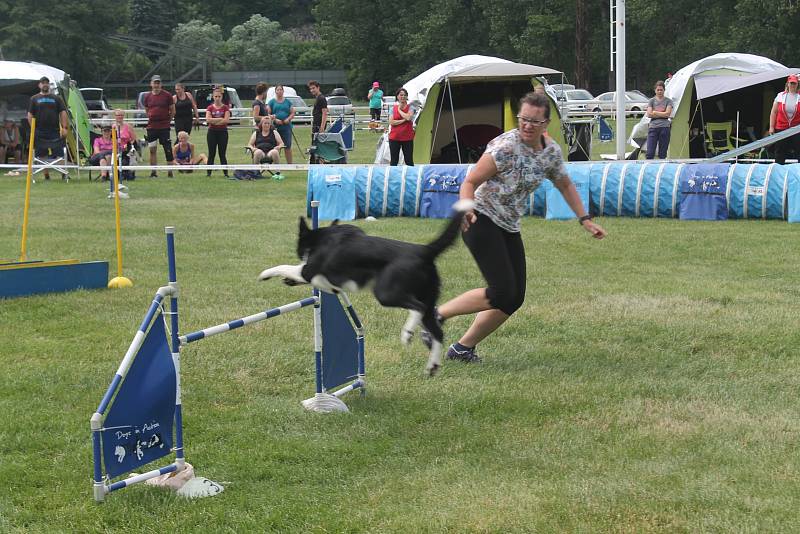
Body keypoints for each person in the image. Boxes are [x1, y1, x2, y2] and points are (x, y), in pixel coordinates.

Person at [423, 92, 607, 363]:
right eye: (523, 119)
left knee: (513, 298)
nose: (527, 125)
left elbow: (565, 184)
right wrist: (467, 207)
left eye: (534, 121)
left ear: (546, 123)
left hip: (509, 224)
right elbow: (469, 181)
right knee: (501, 291)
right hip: (480, 218)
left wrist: (585, 219)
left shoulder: (550, 152)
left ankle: (462, 349)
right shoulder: (505, 147)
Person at [27, 76, 68, 180]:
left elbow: (63, 112)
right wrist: (33, 129)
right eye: (43, 83)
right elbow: (30, 115)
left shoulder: (56, 98)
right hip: (40, 131)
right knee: (41, 154)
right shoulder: (34, 98)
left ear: (49, 85)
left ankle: (63, 173)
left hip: (55, 131)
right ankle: (46, 175)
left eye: (47, 83)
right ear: (39, 85)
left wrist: (64, 127)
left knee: (59, 153)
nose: (45, 84)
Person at [143, 75, 175, 177]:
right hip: (152, 127)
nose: (156, 85)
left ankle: (170, 172)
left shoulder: (167, 95)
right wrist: (152, 117)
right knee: (152, 149)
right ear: (151, 84)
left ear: (161, 84)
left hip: (164, 127)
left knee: (168, 149)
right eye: (154, 83)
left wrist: (167, 120)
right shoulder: (147, 96)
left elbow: (173, 110)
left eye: (158, 83)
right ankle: (153, 172)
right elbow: (147, 109)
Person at [768, 74, 800, 164]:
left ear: (797, 84)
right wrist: (771, 127)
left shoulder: (799, 96)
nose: (793, 85)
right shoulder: (780, 96)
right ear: (787, 84)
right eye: (791, 83)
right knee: (780, 152)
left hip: (796, 129)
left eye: (795, 83)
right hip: (781, 127)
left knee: (799, 151)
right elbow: (773, 112)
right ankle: (778, 170)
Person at [205, 87, 230, 177]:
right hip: (212, 132)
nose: (217, 98)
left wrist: (215, 120)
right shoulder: (210, 107)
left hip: (223, 132)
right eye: (215, 96)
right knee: (211, 153)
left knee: (222, 153)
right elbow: (208, 120)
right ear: (213, 97)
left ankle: (226, 173)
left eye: (219, 96)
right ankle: (208, 173)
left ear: (221, 97)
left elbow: (226, 120)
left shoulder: (225, 107)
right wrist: (220, 119)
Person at [645, 80, 674, 159]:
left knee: (662, 153)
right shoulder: (651, 101)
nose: (659, 91)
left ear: (664, 90)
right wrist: (662, 114)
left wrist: (655, 112)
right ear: (655, 90)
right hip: (653, 127)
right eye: (658, 90)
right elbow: (649, 114)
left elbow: (668, 114)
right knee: (650, 153)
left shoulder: (669, 101)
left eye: (661, 90)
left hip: (665, 127)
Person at [267, 85, 295, 163]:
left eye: (281, 90)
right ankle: (275, 163)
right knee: (275, 146)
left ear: (283, 91)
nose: (279, 91)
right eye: (278, 90)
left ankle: (290, 164)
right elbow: (267, 114)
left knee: (287, 146)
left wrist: (288, 119)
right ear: (275, 91)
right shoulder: (271, 102)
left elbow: (292, 112)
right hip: (275, 128)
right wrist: (275, 120)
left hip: (286, 127)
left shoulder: (287, 102)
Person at [388, 87, 415, 166]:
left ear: (407, 97)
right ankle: (392, 177)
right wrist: (403, 120)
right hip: (394, 138)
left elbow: (409, 117)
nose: (403, 97)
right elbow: (391, 122)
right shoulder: (392, 108)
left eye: (404, 95)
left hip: (407, 138)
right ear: (397, 96)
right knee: (394, 161)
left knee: (409, 160)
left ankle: (411, 177)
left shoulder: (411, 107)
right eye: (401, 95)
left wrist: (399, 110)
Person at [308, 80, 328, 163]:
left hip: (319, 126)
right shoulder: (318, 98)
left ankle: (318, 162)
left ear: (318, 87)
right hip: (316, 124)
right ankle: (315, 161)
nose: (312, 90)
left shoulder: (321, 98)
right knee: (314, 144)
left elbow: (324, 113)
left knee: (318, 145)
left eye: (313, 88)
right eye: (310, 89)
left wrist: (322, 127)